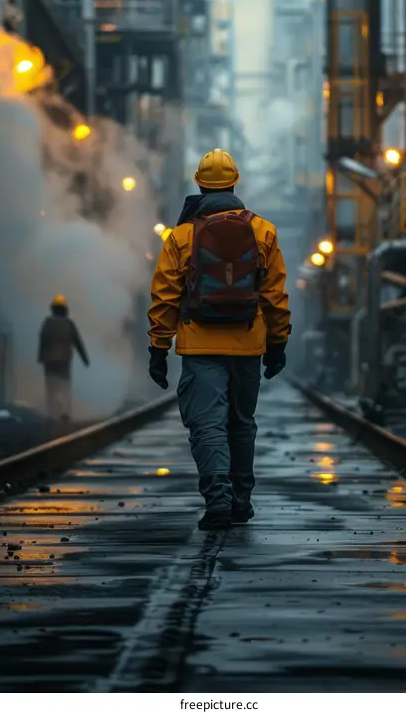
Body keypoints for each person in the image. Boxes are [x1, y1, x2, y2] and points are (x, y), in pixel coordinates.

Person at [147, 149, 291, 531]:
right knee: (241, 424)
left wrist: (158, 348)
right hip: (248, 345)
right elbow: (274, 296)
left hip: (200, 346)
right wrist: (277, 344)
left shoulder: (181, 236)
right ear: (234, 183)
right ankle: (241, 502)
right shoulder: (263, 231)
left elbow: (164, 297)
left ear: (199, 184)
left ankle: (218, 502)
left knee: (207, 425)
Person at [38, 295, 90, 422]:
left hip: (50, 361)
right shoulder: (69, 324)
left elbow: (42, 340)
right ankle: (65, 413)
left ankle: (51, 413)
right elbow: (77, 342)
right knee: (64, 386)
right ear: (64, 310)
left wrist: (40, 357)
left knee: (51, 388)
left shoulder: (48, 323)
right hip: (63, 361)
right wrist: (85, 359)